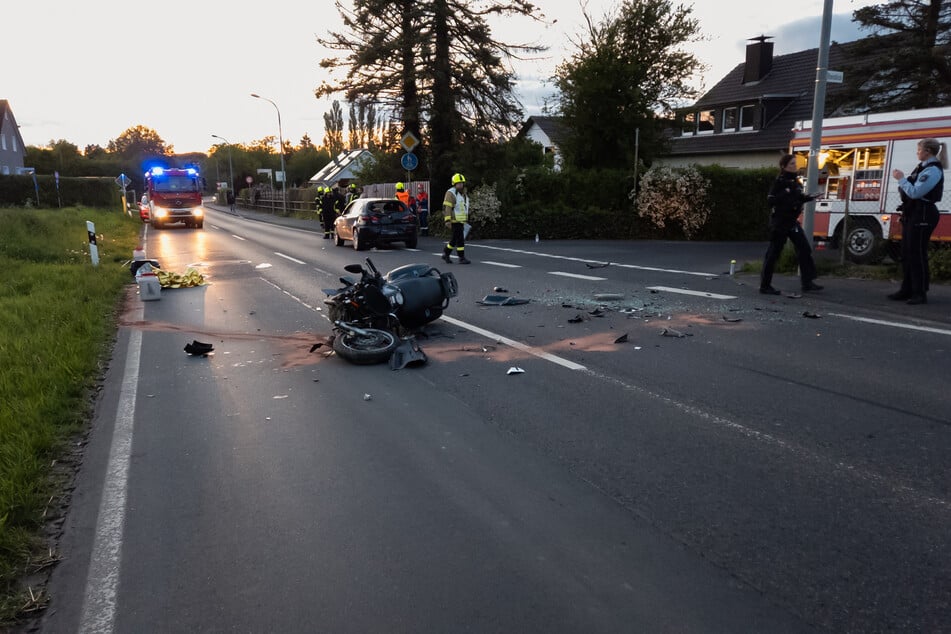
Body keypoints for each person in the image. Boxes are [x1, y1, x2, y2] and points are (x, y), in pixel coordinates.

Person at [888, 137, 945, 305]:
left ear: (927, 152)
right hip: (914, 213)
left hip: (924, 214)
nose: (917, 153)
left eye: (919, 150)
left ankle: (920, 292)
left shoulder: (932, 170)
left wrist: (901, 179)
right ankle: (907, 289)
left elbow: (915, 192)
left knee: (917, 253)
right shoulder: (922, 167)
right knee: (906, 252)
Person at [760, 153, 823, 294]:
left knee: (804, 248)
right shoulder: (779, 182)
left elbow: (798, 198)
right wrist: (785, 194)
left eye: (795, 163)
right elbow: (771, 200)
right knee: (773, 253)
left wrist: (808, 198)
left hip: (791, 222)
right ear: (784, 166)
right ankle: (765, 285)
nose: (795, 166)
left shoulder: (796, 182)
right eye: (792, 164)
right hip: (780, 222)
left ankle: (807, 282)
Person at [442, 173, 471, 264]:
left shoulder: (463, 194)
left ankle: (446, 253)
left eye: (462, 183)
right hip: (454, 220)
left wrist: (466, 218)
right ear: (454, 184)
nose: (460, 185)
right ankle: (461, 257)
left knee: (455, 239)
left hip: (461, 220)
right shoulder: (451, 193)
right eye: (458, 183)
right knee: (460, 240)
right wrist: (447, 220)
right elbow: (448, 207)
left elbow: (463, 207)